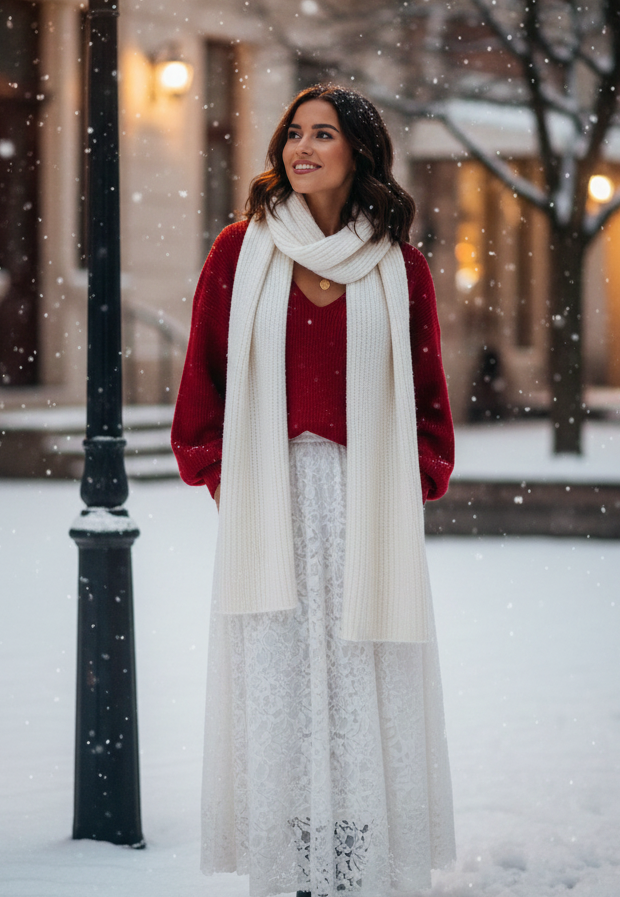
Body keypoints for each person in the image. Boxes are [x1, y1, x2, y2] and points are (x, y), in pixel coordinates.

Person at [172, 85, 456, 897]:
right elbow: (203, 379)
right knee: (284, 688)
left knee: (362, 683)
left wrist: (415, 475)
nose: (301, 146)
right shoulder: (241, 251)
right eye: (293, 132)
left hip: (370, 502)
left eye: (322, 133)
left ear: (358, 151)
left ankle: (357, 860)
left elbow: (427, 393)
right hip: (271, 499)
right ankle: (297, 867)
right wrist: (224, 475)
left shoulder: (398, 266)